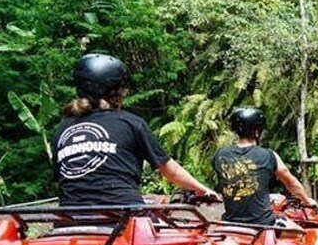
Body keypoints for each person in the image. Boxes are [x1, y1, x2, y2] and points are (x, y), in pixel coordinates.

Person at [53, 53, 218, 206]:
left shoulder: (62, 130)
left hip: (70, 217)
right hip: (123, 215)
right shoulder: (130, 122)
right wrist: (202, 189)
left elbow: (62, 178)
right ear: (114, 93)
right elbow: (170, 170)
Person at [212, 107, 315, 225]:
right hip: (263, 223)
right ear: (257, 132)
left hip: (230, 222)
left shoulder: (220, 155)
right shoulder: (268, 155)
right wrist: (307, 201)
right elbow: (291, 184)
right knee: (301, 234)